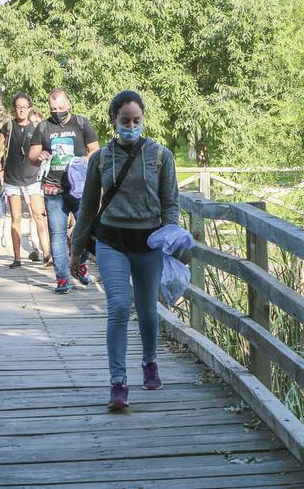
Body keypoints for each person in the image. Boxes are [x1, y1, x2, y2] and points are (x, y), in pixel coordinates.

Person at [71, 90, 179, 410]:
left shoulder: (161, 156)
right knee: (119, 307)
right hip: (111, 241)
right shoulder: (101, 158)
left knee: (147, 309)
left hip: (149, 243)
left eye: (136, 120)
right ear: (114, 121)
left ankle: (149, 361)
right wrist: (77, 250)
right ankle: (117, 382)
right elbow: (88, 207)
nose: (131, 125)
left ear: (143, 119)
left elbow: (170, 204)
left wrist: (170, 239)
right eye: (124, 121)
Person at [29, 89, 100, 293]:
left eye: (60, 108)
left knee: (88, 230)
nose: (57, 112)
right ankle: (62, 278)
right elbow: (32, 156)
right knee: (57, 235)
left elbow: (95, 149)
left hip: (79, 189)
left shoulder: (81, 123)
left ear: (68, 105)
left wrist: (83, 162)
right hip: (53, 190)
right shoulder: (43, 127)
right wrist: (39, 155)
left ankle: (80, 263)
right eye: (53, 109)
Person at [0, 93, 51, 269]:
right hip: (12, 179)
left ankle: (47, 254)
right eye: (18, 106)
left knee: (39, 215)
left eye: (25, 106)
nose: (21, 109)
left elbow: (46, 151)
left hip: (32, 178)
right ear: (14, 108)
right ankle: (17, 258)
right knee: (15, 218)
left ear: (29, 108)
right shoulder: (8, 126)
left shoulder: (37, 128)